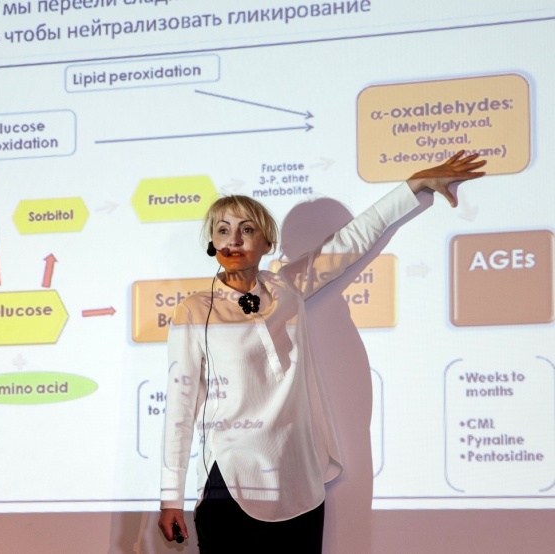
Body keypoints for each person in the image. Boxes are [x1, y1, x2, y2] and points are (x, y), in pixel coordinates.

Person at [158, 151, 486, 553]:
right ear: (213, 243)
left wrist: (413, 186)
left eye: (247, 229)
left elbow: (351, 241)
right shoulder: (195, 310)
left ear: (267, 242)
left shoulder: (286, 287)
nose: (234, 240)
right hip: (231, 480)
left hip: (298, 481)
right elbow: (180, 407)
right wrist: (170, 497)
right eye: (223, 230)